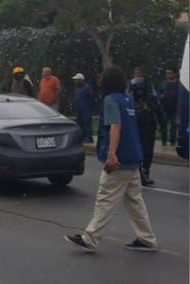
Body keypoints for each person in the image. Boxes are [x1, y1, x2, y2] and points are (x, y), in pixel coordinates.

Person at [64, 66, 157, 253]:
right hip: (133, 158)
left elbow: (115, 127)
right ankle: (147, 238)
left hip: (119, 160)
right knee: (135, 201)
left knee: (105, 198)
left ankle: (90, 239)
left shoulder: (110, 100)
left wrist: (112, 154)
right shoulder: (127, 100)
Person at [130, 76, 161, 186]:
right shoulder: (130, 99)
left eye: (141, 89)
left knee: (147, 151)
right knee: (136, 151)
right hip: (135, 128)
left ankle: (145, 172)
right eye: (137, 90)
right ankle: (138, 173)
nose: (139, 92)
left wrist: (162, 124)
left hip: (149, 127)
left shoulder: (151, 98)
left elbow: (159, 111)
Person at [157, 68, 179, 146]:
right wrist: (161, 96)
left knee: (174, 125)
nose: (168, 75)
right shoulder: (163, 83)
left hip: (175, 109)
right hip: (164, 108)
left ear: (174, 74)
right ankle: (164, 141)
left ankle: (172, 141)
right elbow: (158, 94)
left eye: (170, 73)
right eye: (167, 73)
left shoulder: (179, 84)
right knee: (163, 125)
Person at [72, 73, 95, 143]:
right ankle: (82, 137)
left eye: (76, 80)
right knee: (79, 123)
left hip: (86, 108)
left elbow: (91, 98)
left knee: (86, 123)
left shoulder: (87, 88)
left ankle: (88, 137)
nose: (75, 81)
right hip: (78, 108)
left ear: (80, 80)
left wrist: (90, 107)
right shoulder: (76, 88)